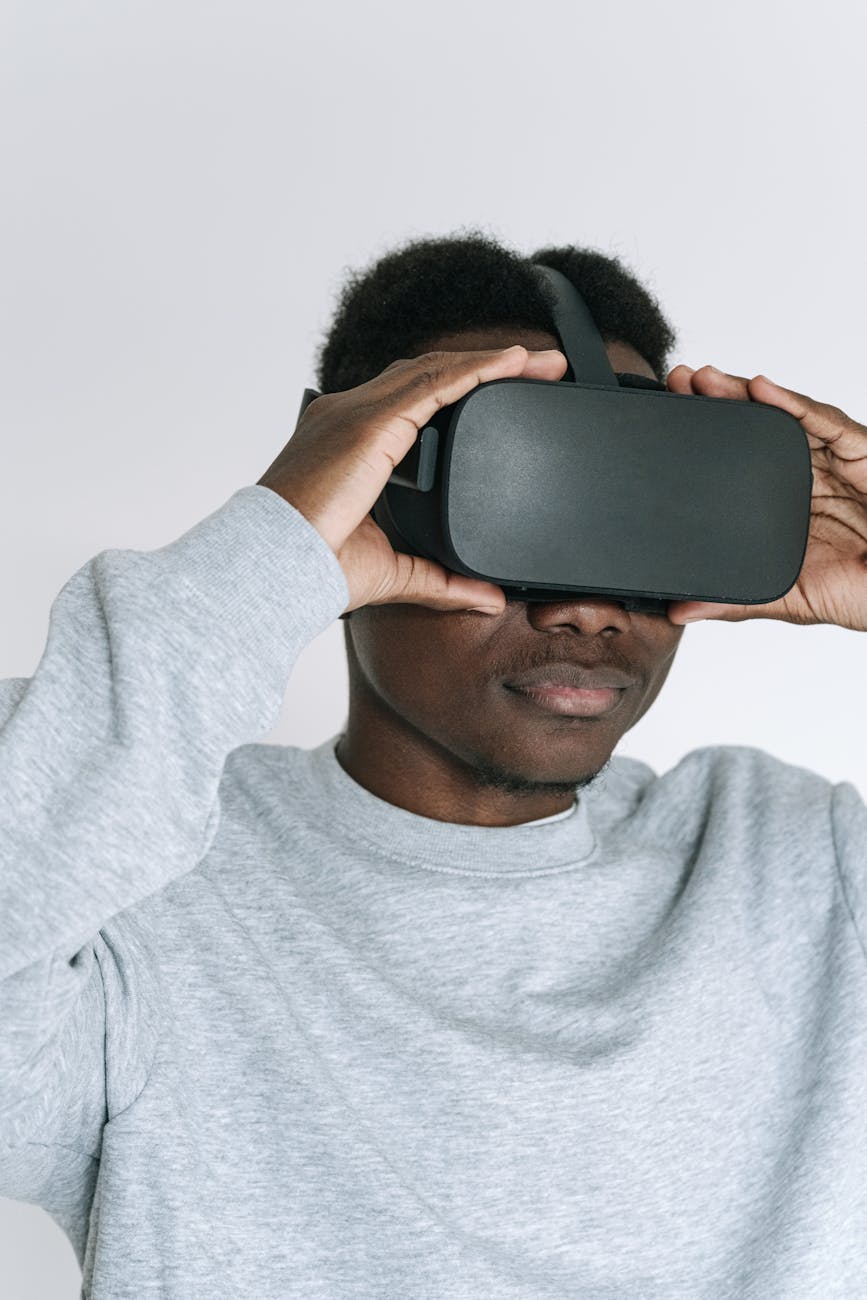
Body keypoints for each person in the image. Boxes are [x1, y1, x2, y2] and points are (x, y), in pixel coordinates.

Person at [1, 232, 866, 1299]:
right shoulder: (137, 899)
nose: (585, 605)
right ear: (359, 482)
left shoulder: (807, 872)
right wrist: (272, 550)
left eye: (636, 508)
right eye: (519, 505)